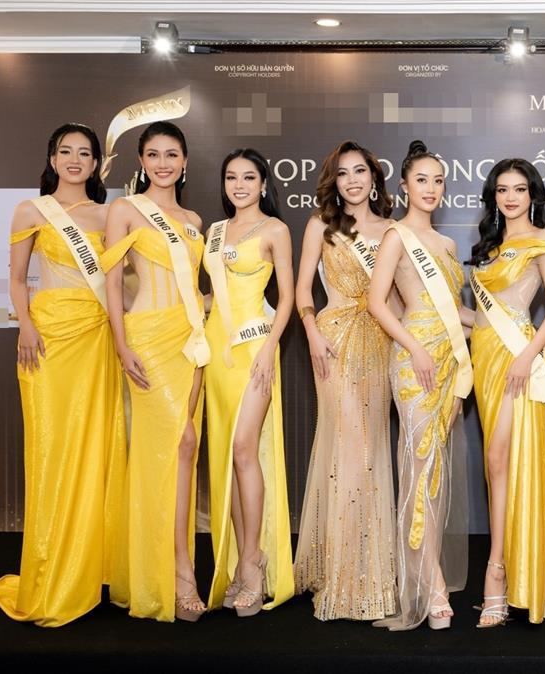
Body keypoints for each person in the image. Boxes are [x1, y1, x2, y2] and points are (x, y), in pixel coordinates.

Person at [0, 123, 125, 627]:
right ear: (52, 159)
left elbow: (122, 282)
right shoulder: (31, 210)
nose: (74, 159)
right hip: (47, 339)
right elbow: (16, 277)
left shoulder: (110, 215)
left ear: (96, 164)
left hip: (96, 339)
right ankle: (52, 572)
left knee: (96, 450)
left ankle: (90, 570)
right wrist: (25, 325)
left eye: (84, 153)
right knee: (52, 451)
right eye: (65, 151)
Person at [101, 121, 210, 622]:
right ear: (141, 162)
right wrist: (121, 344)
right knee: (176, 442)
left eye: (171, 154)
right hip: (146, 337)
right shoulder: (125, 209)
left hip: (189, 340)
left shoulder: (194, 219)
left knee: (185, 448)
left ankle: (170, 563)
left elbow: (196, 286)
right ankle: (179, 571)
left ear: (184, 162)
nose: (163, 163)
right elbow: (111, 283)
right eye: (153, 154)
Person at [367, 140, 472, 630]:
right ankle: (430, 584)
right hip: (415, 362)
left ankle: (426, 574)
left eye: (438, 181)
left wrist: (501, 326)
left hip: (449, 362)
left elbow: (459, 313)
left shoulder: (448, 246)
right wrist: (415, 348)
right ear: (405, 185)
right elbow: (377, 304)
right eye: (422, 180)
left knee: (433, 472)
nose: (431, 188)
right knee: (418, 464)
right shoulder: (396, 236)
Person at [293, 140, 398, 621]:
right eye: (343, 173)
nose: (352, 180)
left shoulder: (393, 230)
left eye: (360, 171)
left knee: (370, 453)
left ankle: (370, 572)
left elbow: (399, 300)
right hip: (333, 343)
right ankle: (342, 577)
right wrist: (312, 333)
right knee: (349, 450)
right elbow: (302, 291)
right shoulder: (321, 224)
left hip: (380, 345)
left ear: (374, 178)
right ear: (333, 181)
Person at [468, 158, 545, 626]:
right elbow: (481, 317)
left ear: (533, 195)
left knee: (501, 458)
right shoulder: (489, 246)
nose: (510, 197)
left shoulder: (542, 241)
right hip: (484, 357)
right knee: (495, 463)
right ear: (494, 196)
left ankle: (498, 572)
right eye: (503, 189)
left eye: (520, 189)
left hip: (517, 361)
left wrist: (528, 355)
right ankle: (503, 565)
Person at [204, 148, 295, 617]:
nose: (239, 185)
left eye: (248, 177)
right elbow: (212, 296)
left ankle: (255, 561)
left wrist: (268, 348)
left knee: (244, 448)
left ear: (263, 184)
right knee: (228, 457)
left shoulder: (275, 230)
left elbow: (287, 298)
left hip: (256, 347)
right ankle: (240, 562)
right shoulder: (214, 231)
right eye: (231, 177)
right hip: (216, 350)